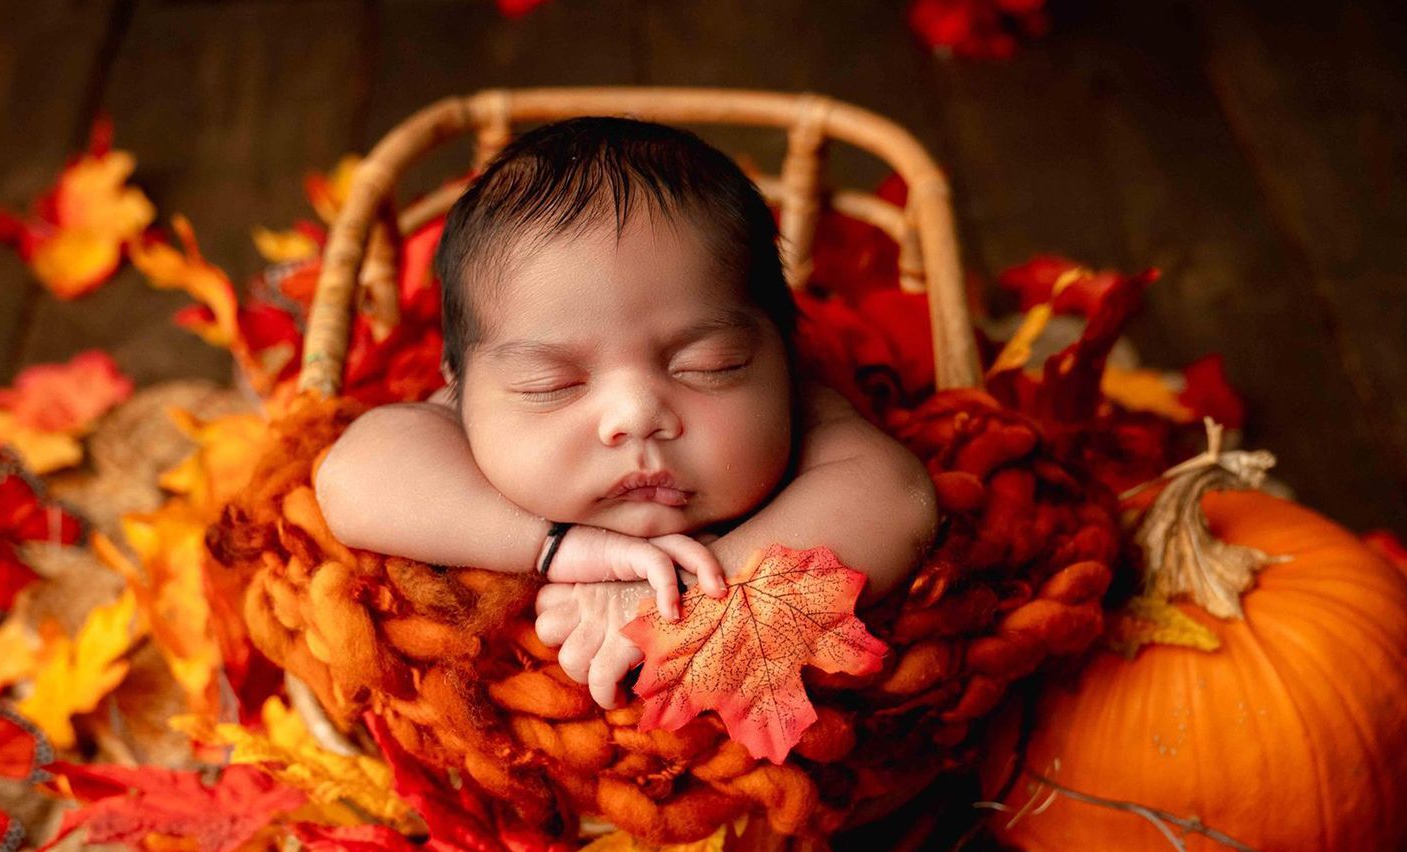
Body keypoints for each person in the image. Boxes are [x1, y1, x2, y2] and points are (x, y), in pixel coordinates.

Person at [314, 115, 939, 711]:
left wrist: (690, 584)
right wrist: (557, 548)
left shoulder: (802, 408)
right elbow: (351, 477)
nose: (636, 415)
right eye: (549, 384)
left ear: (782, 356)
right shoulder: (457, 424)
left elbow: (898, 497)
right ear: (459, 385)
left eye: (710, 365)